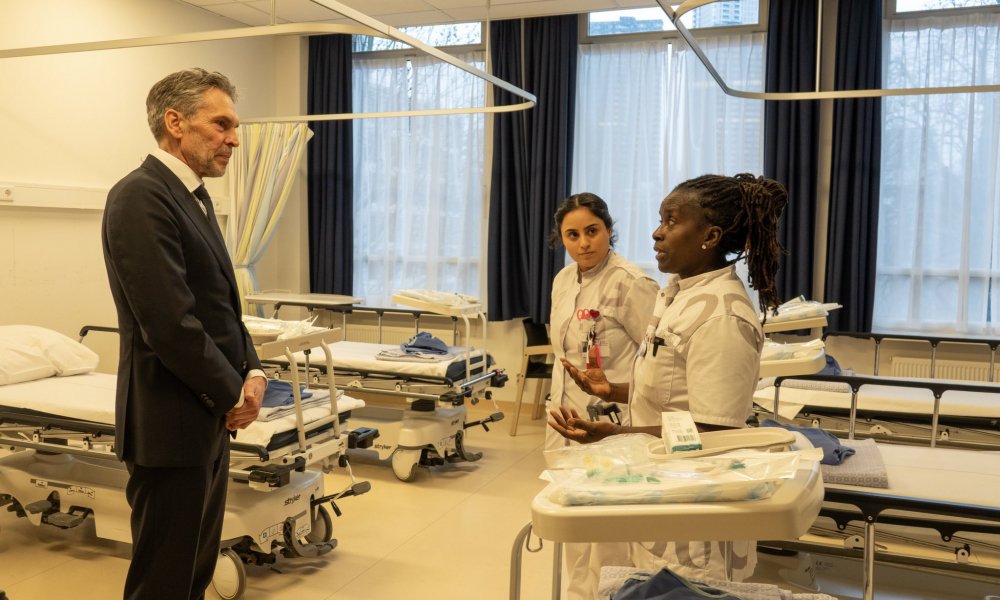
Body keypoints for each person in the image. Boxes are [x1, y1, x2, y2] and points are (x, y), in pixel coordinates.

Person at [549, 173, 788, 585]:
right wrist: (614, 390)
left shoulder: (722, 317)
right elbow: (673, 387)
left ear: (710, 236)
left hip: (691, 512)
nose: (657, 233)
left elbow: (714, 431)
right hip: (659, 484)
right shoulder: (680, 293)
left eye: (671, 221)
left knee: (677, 586)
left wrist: (616, 435)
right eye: (661, 220)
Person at [102, 68, 267, 600]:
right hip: (169, 423)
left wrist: (254, 369)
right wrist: (231, 392)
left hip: (205, 419)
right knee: (164, 582)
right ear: (175, 123)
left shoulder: (193, 196)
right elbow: (170, 323)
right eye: (221, 124)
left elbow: (222, 307)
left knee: (194, 573)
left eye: (234, 127)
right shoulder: (140, 196)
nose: (234, 139)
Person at [547, 193, 659, 599]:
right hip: (566, 415)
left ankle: (612, 593)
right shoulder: (563, 280)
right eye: (572, 235)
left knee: (610, 530)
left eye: (592, 231)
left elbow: (656, 359)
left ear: (609, 230)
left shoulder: (631, 282)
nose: (583, 243)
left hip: (614, 420)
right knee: (573, 523)